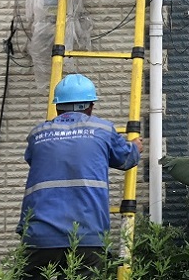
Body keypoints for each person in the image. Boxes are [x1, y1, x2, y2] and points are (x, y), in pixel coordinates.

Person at [17, 73, 143, 279]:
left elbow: (33, 159)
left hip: (40, 237)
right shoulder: (103, 130)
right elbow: (126, 159)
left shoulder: (37, 135)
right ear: (90, 107)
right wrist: (135, 147)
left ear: (57, 107)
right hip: (86, 235)